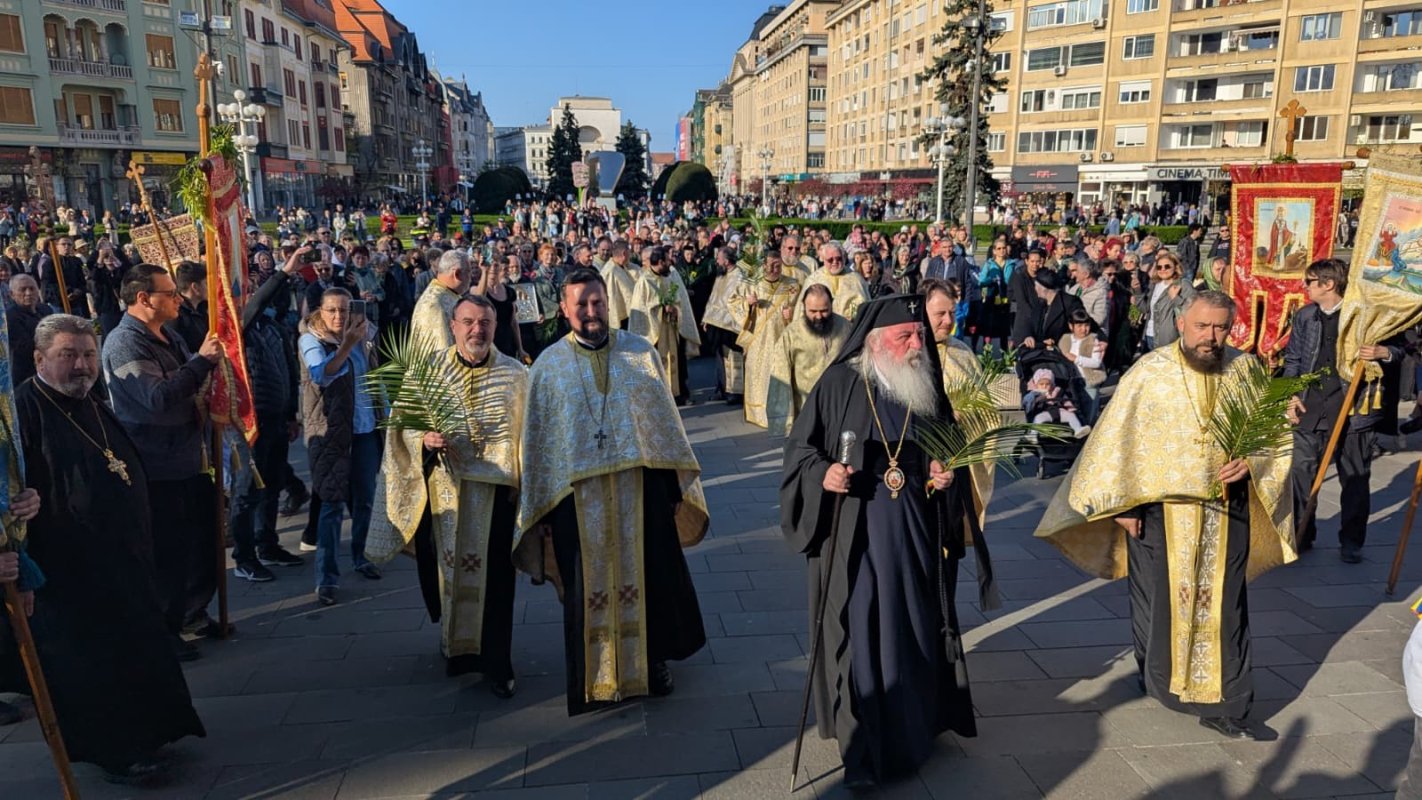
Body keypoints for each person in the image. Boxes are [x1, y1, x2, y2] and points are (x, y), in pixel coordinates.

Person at [1036, 291, 1296, 741]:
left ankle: (1228, 703)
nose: (1211, 338)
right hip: (1160, 512)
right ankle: (1159, 679)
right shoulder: (1150, 372)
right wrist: (1125, 504)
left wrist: (1251, 461)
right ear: (1181, 323)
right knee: (1157, 602)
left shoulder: (1246, 369)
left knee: (1225, 607)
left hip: (1225, 509)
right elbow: (1118, 437)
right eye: (1202, 327)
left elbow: (1272, 436)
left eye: (1220, 328)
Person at [780, 294, 990, 788]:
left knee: (914, 627)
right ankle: (865, 749)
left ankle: (914, 727)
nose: (918, 344)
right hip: (856, 535)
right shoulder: (839, 385)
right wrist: (823, 474)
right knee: (861, 630)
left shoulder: (927, 386)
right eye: (906, 337)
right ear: (876, 342)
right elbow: (799, 452)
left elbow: (947, 452)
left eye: (919, 335)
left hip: (914, 530)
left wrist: (943, 475)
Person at [1, 314, 205, 784]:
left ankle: (155, 731)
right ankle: (119, 753)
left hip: (124, 560)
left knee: (137, 649)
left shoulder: (91, 401)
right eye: (67, 355)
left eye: (88, 355)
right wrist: (20, 505)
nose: (82, 365)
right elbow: (10, 490)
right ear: (39, 358)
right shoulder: (24, 414)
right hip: (70, 572)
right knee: (94, 667)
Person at [514, 268, 709, 715]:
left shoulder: (640, 353)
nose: (590, 311)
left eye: (597, 302)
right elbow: (538, 444)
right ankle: (594, 676)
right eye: (580, 304)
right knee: (587, 590)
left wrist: (671, 490)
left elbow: (662, 425)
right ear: (564, 310)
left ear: (608, 304)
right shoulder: (547, 367)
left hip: (640, 493)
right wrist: (541, 512)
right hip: (575, 504)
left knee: (651, 579)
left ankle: (653, 662)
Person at [367, 295, 525, 696]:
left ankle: (497, 663)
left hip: (496, 496)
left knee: (497, 584)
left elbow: (533, 435)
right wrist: (424, 439)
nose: (478, 330)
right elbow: (401, 430)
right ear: (452, 325)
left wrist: (524, 489)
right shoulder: (427, 373)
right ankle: (457, 651)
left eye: (485, 322)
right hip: (447, 496)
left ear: (495, 326)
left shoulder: (516, 375)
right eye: (468, 321)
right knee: (449, 575)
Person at [103, 264, 223, 658]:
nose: (177, 298)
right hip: (157, 465)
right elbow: (155, 398)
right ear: (143, 299)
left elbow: (192, 382)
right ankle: (165, 632)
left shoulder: (168, 334)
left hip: (189, 456)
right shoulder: (124, 343)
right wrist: (201, 363)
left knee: (202, 543)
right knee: (168, 554)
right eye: (169, 293)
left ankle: (193, 612)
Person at [1283, 258, 1401, 564]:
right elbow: (1294, 359)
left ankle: (1351, 540)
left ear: (1328, 284)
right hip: (1311, 406)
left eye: (1309, 281)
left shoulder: (1367, 316)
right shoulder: (1306, 316)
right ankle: (1302, 532)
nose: (1304, 287)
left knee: (1355, 477)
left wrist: (1382, 352)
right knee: (1300, 471)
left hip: (1353, 409)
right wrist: (1290, 395)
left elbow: (1402, 350)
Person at [300, 287, 382, 606]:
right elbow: (321, 375)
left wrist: (385, 417)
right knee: (331, 505)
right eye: (332, 310)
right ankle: (327, 578)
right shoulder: (310, 339)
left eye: (345, 311)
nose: (338, 317)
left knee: (364, 500)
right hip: (330, 433)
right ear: (320, 311)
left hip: (364, 428)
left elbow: (374, 377)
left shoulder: (361, 336)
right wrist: (347, 345)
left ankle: (362, 556)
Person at [229, 246, 306, 583]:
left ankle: (267, 543)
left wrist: (292, 414)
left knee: (273, 483)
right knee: (248, 490)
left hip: (276, 418)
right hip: (251, 421)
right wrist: (283, 272)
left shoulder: (271, 328)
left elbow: (289, 369)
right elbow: (258, 302)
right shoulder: (236, 330)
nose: (251, 297)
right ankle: (244, 556)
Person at [923, 278, 993, 529]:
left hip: (958, 460)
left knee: (951, 539)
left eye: (952, 313)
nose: (948, 320)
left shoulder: (963, 352)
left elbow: (985, 406)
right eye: (940, 314)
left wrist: (964, 413)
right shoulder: (908, 351)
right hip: (919, 466)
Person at [732, 252, 800, 429]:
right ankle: (758, 414)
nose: (773, 269)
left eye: (777, 265)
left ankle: (781, 414)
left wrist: (792, 313)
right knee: (758, 375)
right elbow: (732, 301)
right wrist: (748, 304)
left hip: (781, 339)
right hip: (758, 341)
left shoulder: (791, 285)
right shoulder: (751, 283)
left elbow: (802, 309)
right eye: (769, 265)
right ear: (763, 265)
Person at [772, 283, 849, 434]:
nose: (819, 316)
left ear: (832, 305)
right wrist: (786, 422)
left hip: (840, 407)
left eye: (824, 311)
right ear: (803, 307)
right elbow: (781, 375)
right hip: (806, 409)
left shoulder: (846, 327)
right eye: (813, 311)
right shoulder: (791, 334)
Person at [627, 246, 700, 405]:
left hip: (672, 328)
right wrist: (661, 308)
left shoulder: (670, 276)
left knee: (677, 361)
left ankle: (679, 395)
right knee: (658, 363)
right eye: (667, 261)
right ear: (660, 262)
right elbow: (640, 309)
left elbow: (680, 299)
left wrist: (675, 309)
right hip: (655, 332)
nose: (671, 263)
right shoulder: (644, 281)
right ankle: (660, 397)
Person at [410, 248, 471, 351]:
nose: (471, 278)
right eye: (468, 272)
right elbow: (443, 352)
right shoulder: (435, 304)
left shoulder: (447, 294)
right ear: (457, 274)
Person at [797, 242, 869, 321]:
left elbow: (867, 306)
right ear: (823, 260)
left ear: (844, 257)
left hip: (851, 328)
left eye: (838, 258)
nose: (835, 262)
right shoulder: (813, 280)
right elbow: (801, 312)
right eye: (830, 260)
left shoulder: (856, 279)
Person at [1139, 252, 1194, 351]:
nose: (1163, 269)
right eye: (1159, 267)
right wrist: (1137, 293)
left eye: (1167, 266)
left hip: (1168, 339)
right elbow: (1145, 310)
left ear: (1176, 267)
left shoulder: (1183, 285)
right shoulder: (1154, 285)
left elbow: (1193, 311)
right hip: (1149, 335)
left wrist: (1175, 298)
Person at [5, 274, 53, 387]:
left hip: (50, 368)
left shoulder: (46, 309)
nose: (28, 293)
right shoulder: (10, 317)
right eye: (23, 289)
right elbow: (23, 347)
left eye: (32, 288)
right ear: (12, 294)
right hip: (26, 374)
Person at [1023, 369, 1090, 437]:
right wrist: (1039, 397)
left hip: (1060, 411)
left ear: (1052, 384)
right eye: (1041, 384)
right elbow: (1028, 402)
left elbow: (1066, 401)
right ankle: (1033, 434)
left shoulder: (1058, 391)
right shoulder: (1034, 394)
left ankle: (1078, 429)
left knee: (1071, 415)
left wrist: (1071, 409)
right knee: (1037, 418)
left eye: (1047, 384)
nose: (1044, 386)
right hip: (1044, 412)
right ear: (1036, 385)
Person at [599, 241, 640, 329]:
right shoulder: (611, 271)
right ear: (624, 253)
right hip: (620, 318)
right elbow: (612, 298)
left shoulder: (623, 266)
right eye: (629, 252)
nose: (630, 255)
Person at [172, 260, 208, 352]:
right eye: (206, 284)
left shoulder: (202, 307)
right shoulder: (176, 315)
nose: (211, 287)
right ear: (195, 287)